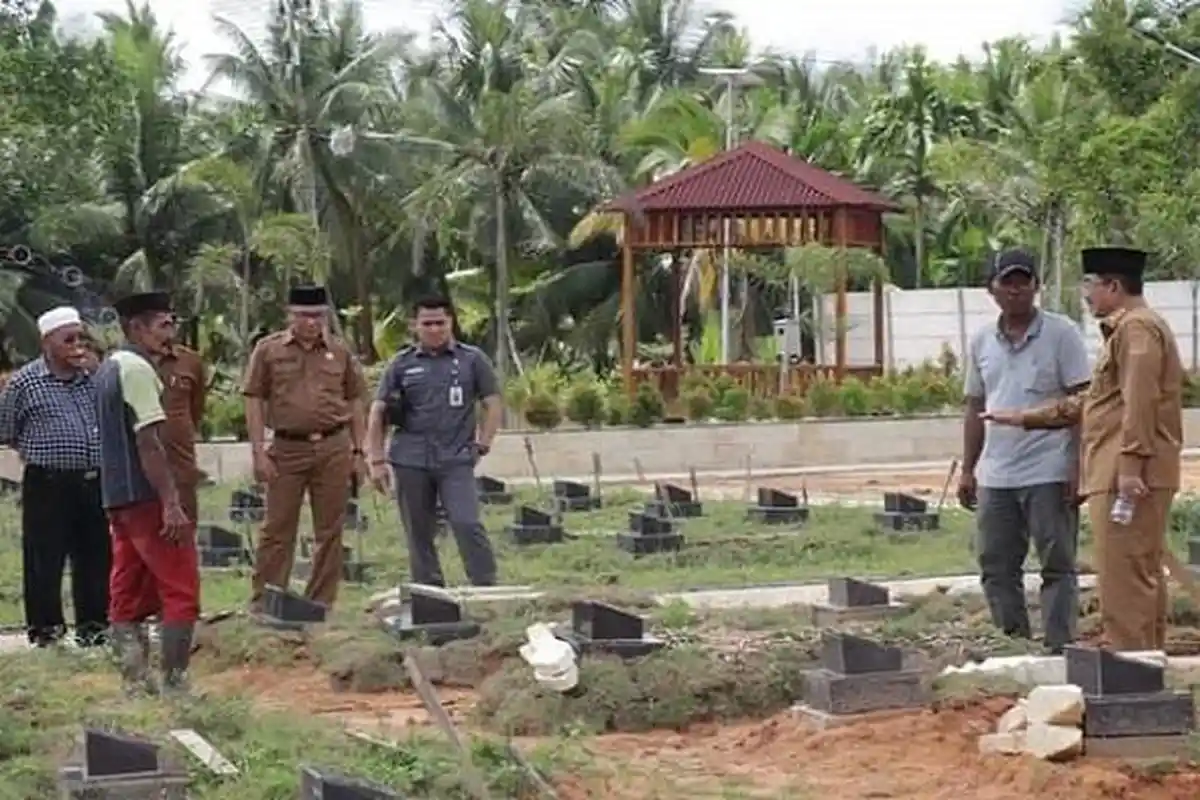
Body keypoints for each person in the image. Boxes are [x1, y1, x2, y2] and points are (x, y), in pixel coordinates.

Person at [983, 247, 1184, 651]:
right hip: (1126, 470)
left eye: (1090, 285)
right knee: (1139, 573)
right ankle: (1148, 664)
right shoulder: (1131, 329)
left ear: (1113, 286)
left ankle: (1131, 674)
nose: (1086, 295)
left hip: (1125, 475)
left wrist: (1129, 467)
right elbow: (1095, 401)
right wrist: (1024, 417)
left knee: (1122, 577)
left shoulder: (1137, 330)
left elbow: (1139, 401)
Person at [958, 250, 1091, 654]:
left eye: (1024, 281)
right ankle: (1012, 645)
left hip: (1049, 471)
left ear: (1036, 287)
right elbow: (974, 407)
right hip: (997, 475)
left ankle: (1059, 649)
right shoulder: (982, 340)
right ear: (991, 289)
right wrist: (969, 469)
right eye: (1007, 282)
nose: (1016, 290)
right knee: (996, 566)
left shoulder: (1061, 333)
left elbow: (1082, 403)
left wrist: (1077, 469)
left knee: (1057, 565)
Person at [94, 291, 200, 695]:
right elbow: (148, 442)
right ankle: (175, 684)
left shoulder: (107, 368)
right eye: (163, 325)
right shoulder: (136, 369)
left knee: (127, 591)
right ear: (136, 327)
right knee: (180, 588)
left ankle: (135, 684)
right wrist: (171, 502)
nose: (170, 334)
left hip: (117, 497)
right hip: (146, 498)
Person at [242, 285, 367, 610]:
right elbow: (254, 399)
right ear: (290, 316)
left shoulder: (340, 352)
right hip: (286, 448)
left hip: (333, 446)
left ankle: (320, 603)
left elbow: (355, 401)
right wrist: (258, 451)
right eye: (303, 315)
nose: (310, 322)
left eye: (316, 316)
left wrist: (359, 452)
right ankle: (267, 601)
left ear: (325, 316)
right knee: (277, 527)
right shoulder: (268, 351)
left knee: (331, 530)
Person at [366, 295, 502, 587]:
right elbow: (377, 413)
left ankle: (485, 583)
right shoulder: (401, 365)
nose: (434, 329)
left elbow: (493, 403)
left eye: (440, 322)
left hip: (456, 459)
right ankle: (429, 591)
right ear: (415, 326)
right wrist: (375, 460)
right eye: (427, 323)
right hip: (410, 459)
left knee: (466, 522)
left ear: (451, 322)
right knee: (419, 531)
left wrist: (483, 443)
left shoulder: (472, 360)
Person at [0, 306, 109, 648]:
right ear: (48, 342)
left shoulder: (93, 378)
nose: (77, 345)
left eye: (81, 338)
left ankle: (94, 628)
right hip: (47, 482)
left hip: (93, 480)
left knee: (94, 556)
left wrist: (99, 372)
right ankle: (46, 632)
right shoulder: (25, 382)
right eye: (69, 339)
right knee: (44, 559)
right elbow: (6, 429)